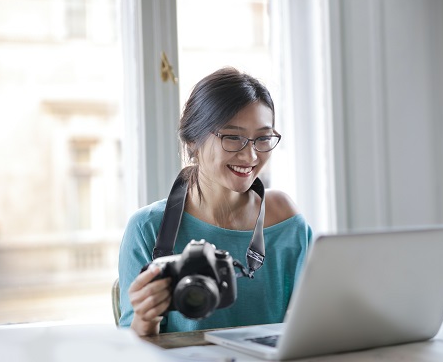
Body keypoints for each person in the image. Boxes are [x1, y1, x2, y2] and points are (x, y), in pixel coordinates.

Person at [118, 67, 313, 336]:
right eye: (233, 137)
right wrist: (146, 318)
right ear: (191, 141)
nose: (251, 156)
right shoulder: (149, 227)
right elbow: (131, 349)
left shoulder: (285, 219)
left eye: (263, 138)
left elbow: (321, 321)